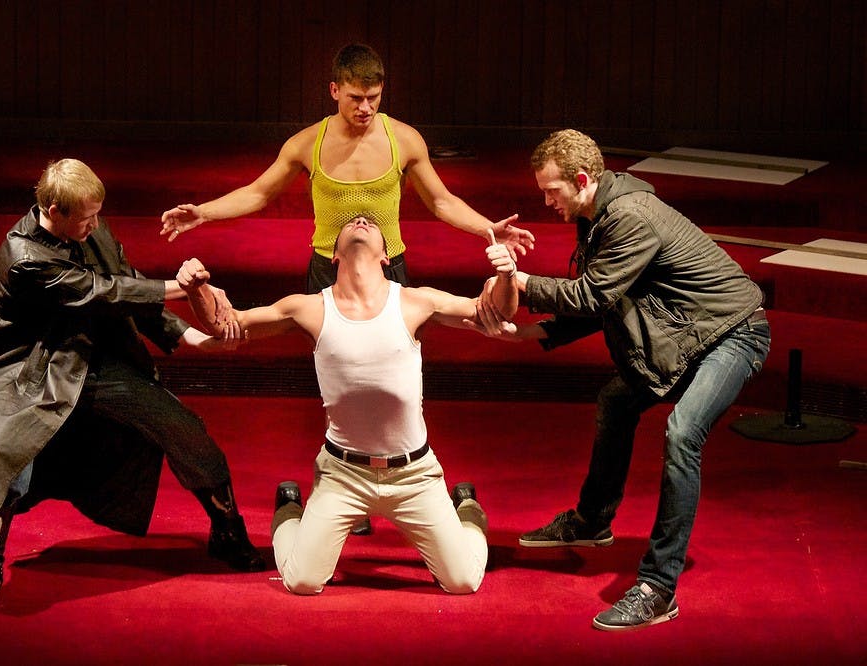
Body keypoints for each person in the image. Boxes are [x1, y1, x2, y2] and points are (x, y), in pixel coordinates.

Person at [163, 42, 532, 535]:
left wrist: (489, 228)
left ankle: (407, 481)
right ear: (334, 90)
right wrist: (201, 212)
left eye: (374, 98)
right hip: (326, 270)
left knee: (398, 372)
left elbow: (441, 201)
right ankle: (342, 481)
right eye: (356, 97)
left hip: (391, 268)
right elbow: (258, 192)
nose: (365, 108)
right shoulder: (306, 144)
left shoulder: (404, 140)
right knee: (335, 374)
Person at [492, 129, 771, 630]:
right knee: (617, 402)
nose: (545, 201)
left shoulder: (628, 217)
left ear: (581, 180)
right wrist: (533, 333)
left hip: (734, 335)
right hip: (691, 336)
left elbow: (593, 296)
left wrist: (521, 282)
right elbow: (607, 298)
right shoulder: (597, 214)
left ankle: (659, 587)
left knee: (683, 433)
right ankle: (591, 521)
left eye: (550, 191)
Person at [0, 159, 264, 615]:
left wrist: (191, 337)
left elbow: (129, 285)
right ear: (52, 208)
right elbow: (101, 292)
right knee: (10, 445)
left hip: (90, 358)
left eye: (97, 214)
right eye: (84, 218)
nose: (94, 225)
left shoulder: (90, 229)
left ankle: (227, 529)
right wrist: (182, 288)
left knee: (180, 425)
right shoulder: (23, 256)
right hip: (28, 368)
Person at [175, 214, 519, 594]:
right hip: (343, 474)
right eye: (352, 223)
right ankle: (290, 509)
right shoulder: (306, 308)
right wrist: (196, 290)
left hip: (413, 474)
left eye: (371, 222)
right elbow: (228, 327)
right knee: (302, 581)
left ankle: (466, 509)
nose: (360, 219)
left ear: (387, 257)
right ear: (333, 255)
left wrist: (506, 277)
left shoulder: (417, 301)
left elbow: (496, 312)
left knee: (464, 581)